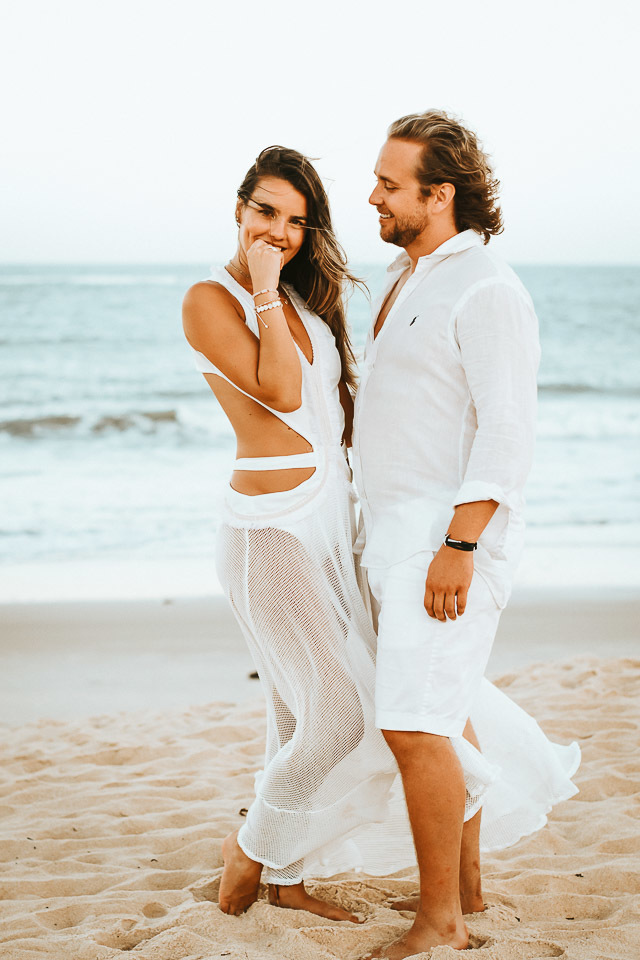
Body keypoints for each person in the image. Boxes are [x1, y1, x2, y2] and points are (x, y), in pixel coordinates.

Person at [352, 111, 581, 958]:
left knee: (414, 725)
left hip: (443, 545)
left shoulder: (486, 287)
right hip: (396, 536)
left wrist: (459, 544)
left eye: (388, 183)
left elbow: (507, 430)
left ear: (438, 195)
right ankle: (470, 893)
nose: (371, 194)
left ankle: (439, 919)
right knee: (440, 716)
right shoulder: (407, 278)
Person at [182, 146, 405, 922]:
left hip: (324, 529)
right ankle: (250, 849)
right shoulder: (211, 299)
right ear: (239, 210)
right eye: (267, 212)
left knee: (292, 716)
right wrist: (267, 289)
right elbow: (276, 391)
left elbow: (334, 422)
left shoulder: (308, 310)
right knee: (337, 716)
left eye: (298, 222)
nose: (279, 232)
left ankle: (286, 879)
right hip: (266, 535)